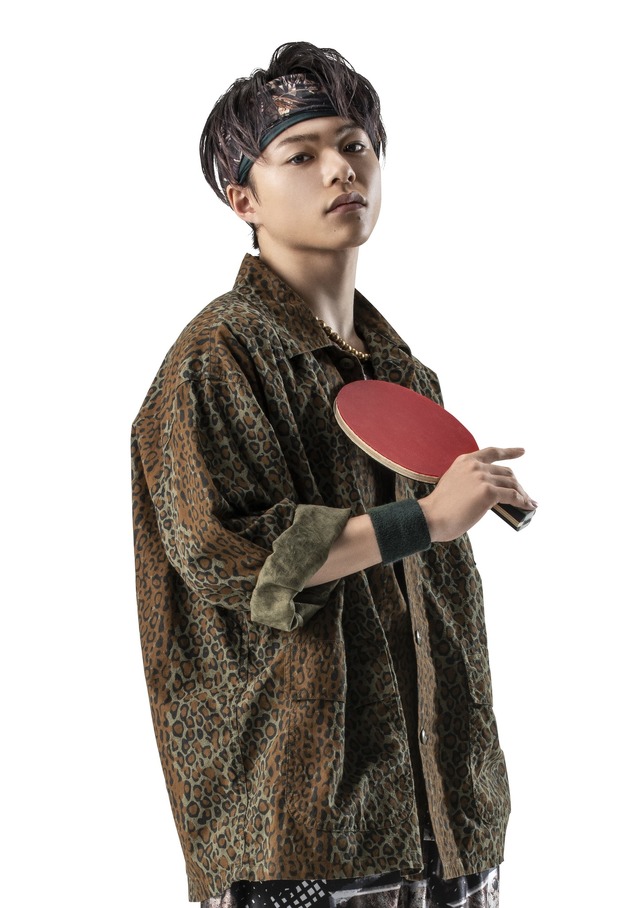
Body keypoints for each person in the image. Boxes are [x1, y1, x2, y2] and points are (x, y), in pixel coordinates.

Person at [131, 41, 536, 908]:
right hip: (299, 833)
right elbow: (233, 560)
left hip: (449, 818)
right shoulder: (217, 360)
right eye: (301, 154)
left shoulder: (405, 373)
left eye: (355, 146)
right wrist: (424, 521)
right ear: (243, 198)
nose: (340, 169)